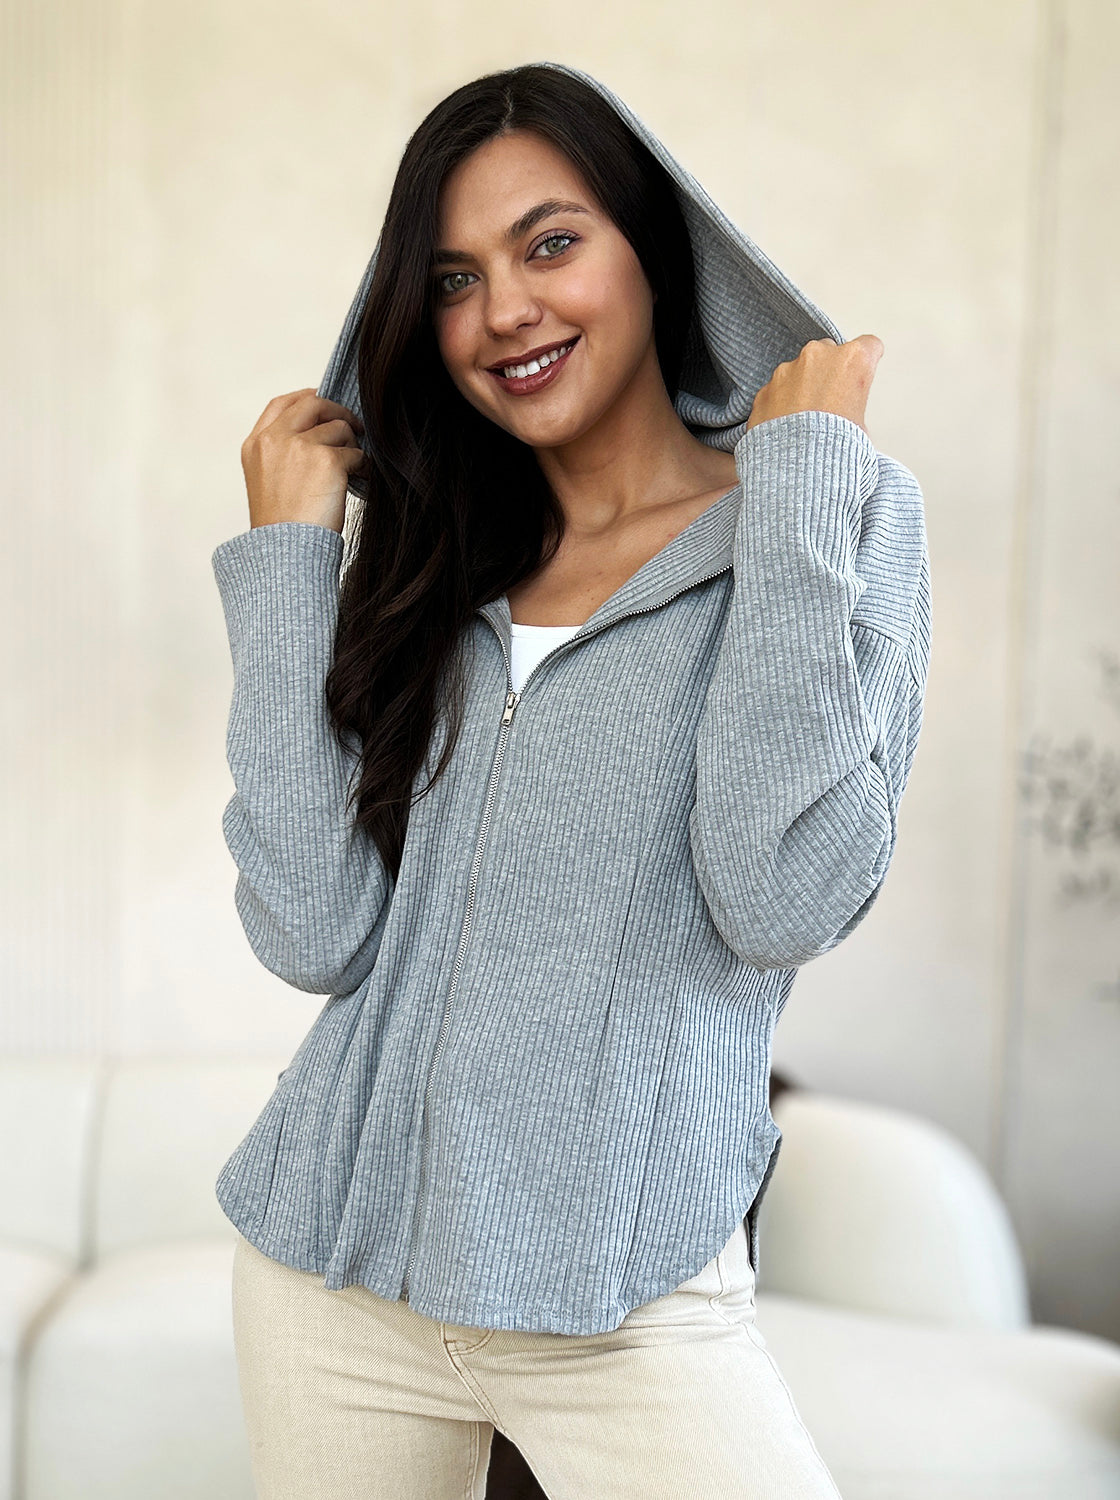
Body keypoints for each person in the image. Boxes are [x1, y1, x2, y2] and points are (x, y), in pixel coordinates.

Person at [214, 60, 931, 1500]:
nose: (505, 314)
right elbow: (312, 931)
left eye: (551, 244)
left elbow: (778, 894)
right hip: (334, 1285)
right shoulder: (433, 564)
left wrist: (797, 498)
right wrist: (290, 569)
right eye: (455, 278)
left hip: (631, 1302)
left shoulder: (830, 513)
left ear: (651, 253)